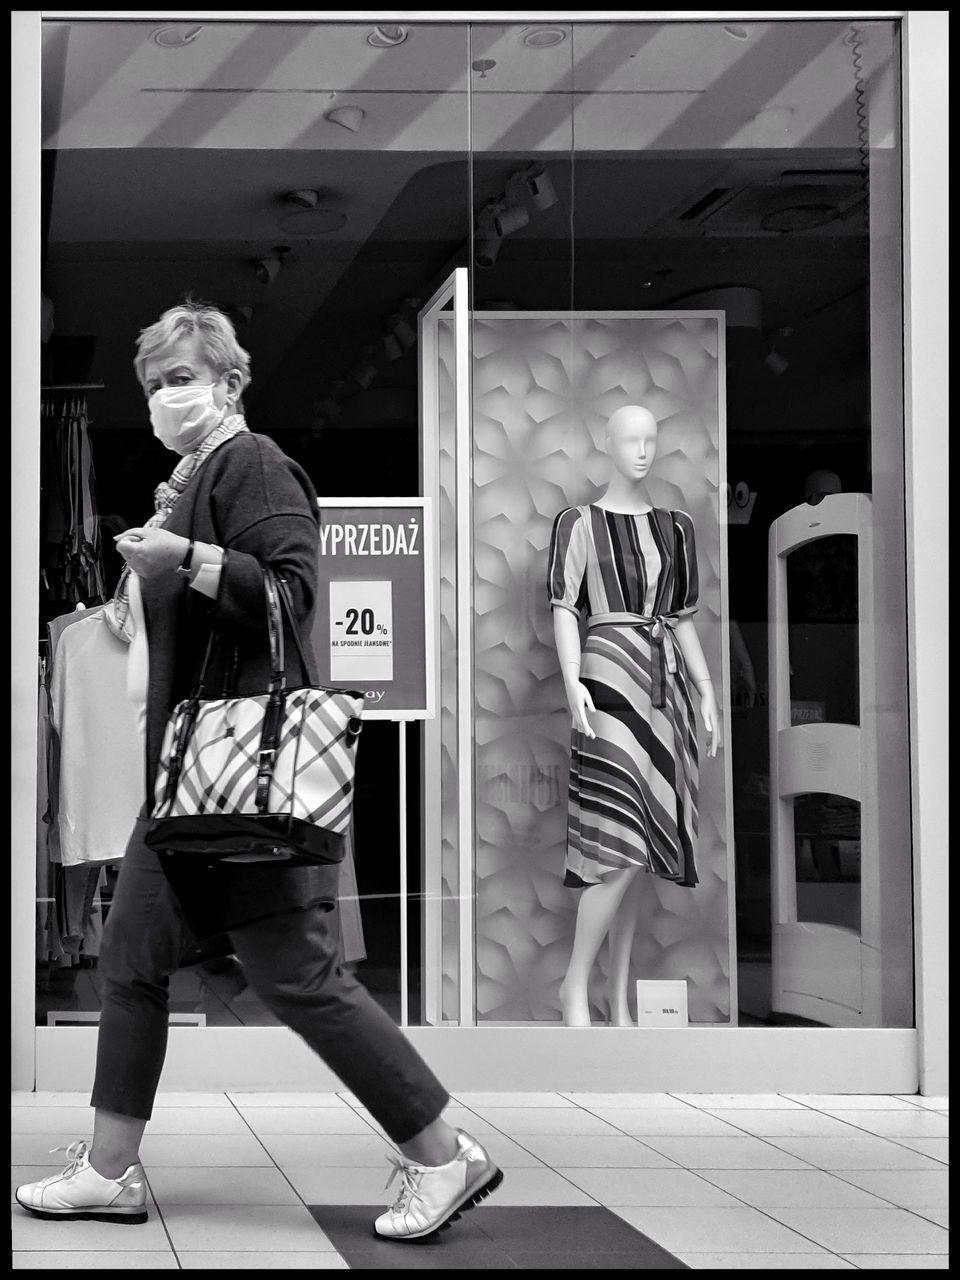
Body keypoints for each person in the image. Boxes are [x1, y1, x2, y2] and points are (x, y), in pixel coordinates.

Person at [16, 300, 502, 1241]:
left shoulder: (254, 465)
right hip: (193, 784)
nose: (166, 398)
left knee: (299, 976)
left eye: (182, 380)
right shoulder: (192, 479)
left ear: (231, 384)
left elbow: (291, 592)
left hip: (242, 777)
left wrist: (187, 559)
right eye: (154, 385)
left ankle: (443, 1153)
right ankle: (109, 1171)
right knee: (131, 960)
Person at [547, 404, 721, 1027]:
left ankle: (617, 1000)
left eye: (652, 439)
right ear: (607, 443)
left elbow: (681, 617)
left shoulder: (676, 527)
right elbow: (565, 605)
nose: (643, 450)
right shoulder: (579, 524)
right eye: (631, 439)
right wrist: (572, 679)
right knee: (617, 839)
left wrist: (705, 688)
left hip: (664, 684)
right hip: (607, 679)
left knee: (646, 843)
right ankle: (574, 984)